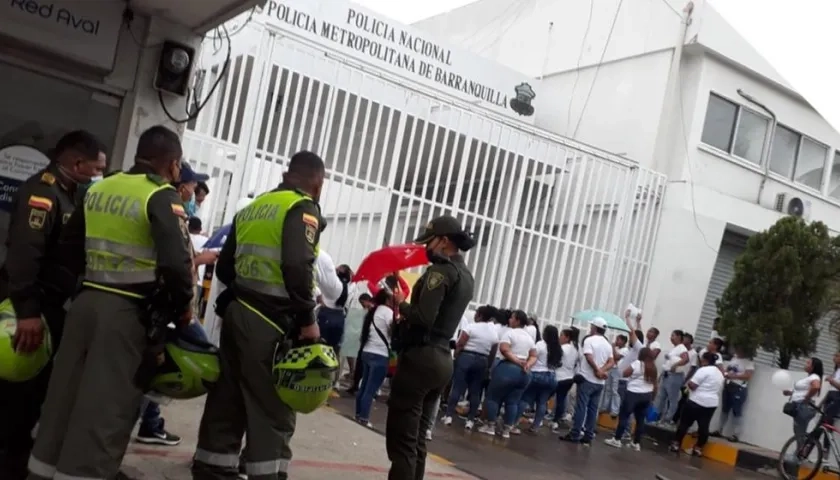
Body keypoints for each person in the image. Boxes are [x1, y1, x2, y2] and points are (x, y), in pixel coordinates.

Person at [27, 125, 195, 480]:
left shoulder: (99, 189)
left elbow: (68, 251)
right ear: (173, 165)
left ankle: (40, 471)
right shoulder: (161, 197)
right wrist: (180, 310)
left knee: (62, 400)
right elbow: (178, 268)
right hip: (126, 314)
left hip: (84, 305)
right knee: (105, 409)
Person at [192, 151, 326, 480]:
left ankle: (212, 467)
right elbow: (297, 266)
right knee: (272, 406)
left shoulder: (253, 208)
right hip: (271, 321)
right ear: (317, 182)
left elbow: (224, 267)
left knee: (228, 397)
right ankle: (268, 474)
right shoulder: (301, 207)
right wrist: (308, 322)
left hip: (237, 314)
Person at [0, 131, 106, 479]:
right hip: (30, 307)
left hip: (50, 306)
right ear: (77, 164)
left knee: (32, 395)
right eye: (96, 169)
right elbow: (24, 256)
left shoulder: (69, 193)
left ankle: (14, 457)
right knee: (17, 394)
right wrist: (28, 313)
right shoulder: (43, 193)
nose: (98, 176)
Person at [385, 215, 475, 480]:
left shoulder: (439, 272)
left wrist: (401, 303)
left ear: (444, 241)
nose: (426, 247)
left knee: (402, 443)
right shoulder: (466, 275)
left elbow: (424, 318)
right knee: (418, 441)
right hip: (442, 359)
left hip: (420, 360)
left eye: (430, 242)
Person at [477, 310, 536, 438]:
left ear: (517, 321)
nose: (509, 320)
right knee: (513, 402)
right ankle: (506, 430)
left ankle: (490, 426)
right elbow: (533, 356)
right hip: (524, 374)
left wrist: (516, 360)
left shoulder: (509, 333)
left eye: (512, 318)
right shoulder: (529, 338)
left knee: (493, 398)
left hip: (507, 369)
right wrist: (527, 364)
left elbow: (504, 349)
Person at [441, 306, 497, 430]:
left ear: (480, 315)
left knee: (457, 387)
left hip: (466, 357)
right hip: (482, 360)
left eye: (477, 313)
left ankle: (449, 416)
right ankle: (470, 420)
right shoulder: (493, 332)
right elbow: (493, 351)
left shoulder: (471, 327)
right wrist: (488, 365)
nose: (475, 315)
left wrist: (456, 355)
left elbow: (460, 343)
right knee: (475, 391)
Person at [561, 317, 614, 445]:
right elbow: (611, 362)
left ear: (595, 328)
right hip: (599, 382)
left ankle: (575, 433)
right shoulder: (607, 344)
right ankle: (588, 435)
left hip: (587, 379)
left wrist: (597, 369)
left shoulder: (589, 340)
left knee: (581, 407)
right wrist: (602, 370)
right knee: (592, 409)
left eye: (591, 326)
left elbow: (588, 357)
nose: (590, 328)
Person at [670, 351, 726, 456]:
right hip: (711, 403)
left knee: (684, 423)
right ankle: (698, 448)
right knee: (704, 426)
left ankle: (676, 444)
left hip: (696, 401)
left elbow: (693, 385)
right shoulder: (719, 373)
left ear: (704, 360)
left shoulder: (703, 370)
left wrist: (689, 385)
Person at [355, 289, 397, 427]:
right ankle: (364, 418)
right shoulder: (388, 312)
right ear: (387, 300)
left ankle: (358, 414)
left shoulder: (374, 311)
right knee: (371, 389)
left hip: (367, 351)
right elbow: (393, 331)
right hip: (380, 354)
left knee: (365, 385)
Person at [605, 346, 658, 451]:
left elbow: (625, 373)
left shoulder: (638, 364)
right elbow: (656, 385)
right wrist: (652, 398)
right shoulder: (653, 367)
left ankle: (617, 439)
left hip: (633, 394)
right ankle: (636, 443)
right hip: (647, 395)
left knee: (624, 416)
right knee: (640, 420)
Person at [519, 325, 563, 432]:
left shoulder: (540, 344)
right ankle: (536, 426)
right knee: (542, 402)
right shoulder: (558, 348)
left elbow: (532, 356)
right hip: (551, 377)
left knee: (525, 399)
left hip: (537, 375)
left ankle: (513, 421)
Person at [711, 346, 754, 443]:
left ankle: (735, 434)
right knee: (724, 409)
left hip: (738, 387)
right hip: (728, 385)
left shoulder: (748, 362)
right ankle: (719, 429)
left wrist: (734, 376)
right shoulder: (734, 359)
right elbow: (727, 369)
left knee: (736, 411)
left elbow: (748, 375)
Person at [782, 357, 823, 453]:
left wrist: (807, 398)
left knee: (799, 432)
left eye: (808, 363)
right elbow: (802, 391)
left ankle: (800, 453)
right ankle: (800, 452)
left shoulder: (814, 377)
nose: (805, 364)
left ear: (813, 367)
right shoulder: (809, 377)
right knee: (798, 431)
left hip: (804, 407)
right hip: (801, 406)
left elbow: (816, 386)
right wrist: (790, 393)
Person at [654, 329, 690, 426]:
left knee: (672, 399)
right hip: (667, 375)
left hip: (675, 376)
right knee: (661, 397)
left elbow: (686, 359)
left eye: (673, 335)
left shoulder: (681, 348)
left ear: (678, 337)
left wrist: (675, 365)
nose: (671, 337)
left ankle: (667, 419)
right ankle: (658, 417)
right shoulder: (674, 348)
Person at [551, 327, 579, 431]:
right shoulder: (575, 350)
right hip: (569, 378)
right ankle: (556, 421)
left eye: (562, 335)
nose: (560, 337)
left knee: (545, 396)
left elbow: (556, 360)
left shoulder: (563, 348)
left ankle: (540, 417)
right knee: (561, 399)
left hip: (559, 377)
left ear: (567, 338)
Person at [600, 334, 628, 417]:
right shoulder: (615, 348)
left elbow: (616, 357)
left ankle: (615, 410)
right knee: (608, 389)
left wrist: (612, 347)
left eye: (618, 340)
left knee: (615, 390)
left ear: (623, 341)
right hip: (611, 369)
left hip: (617, 370)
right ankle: (605, 407)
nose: (616, 341)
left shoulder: (625, 350)